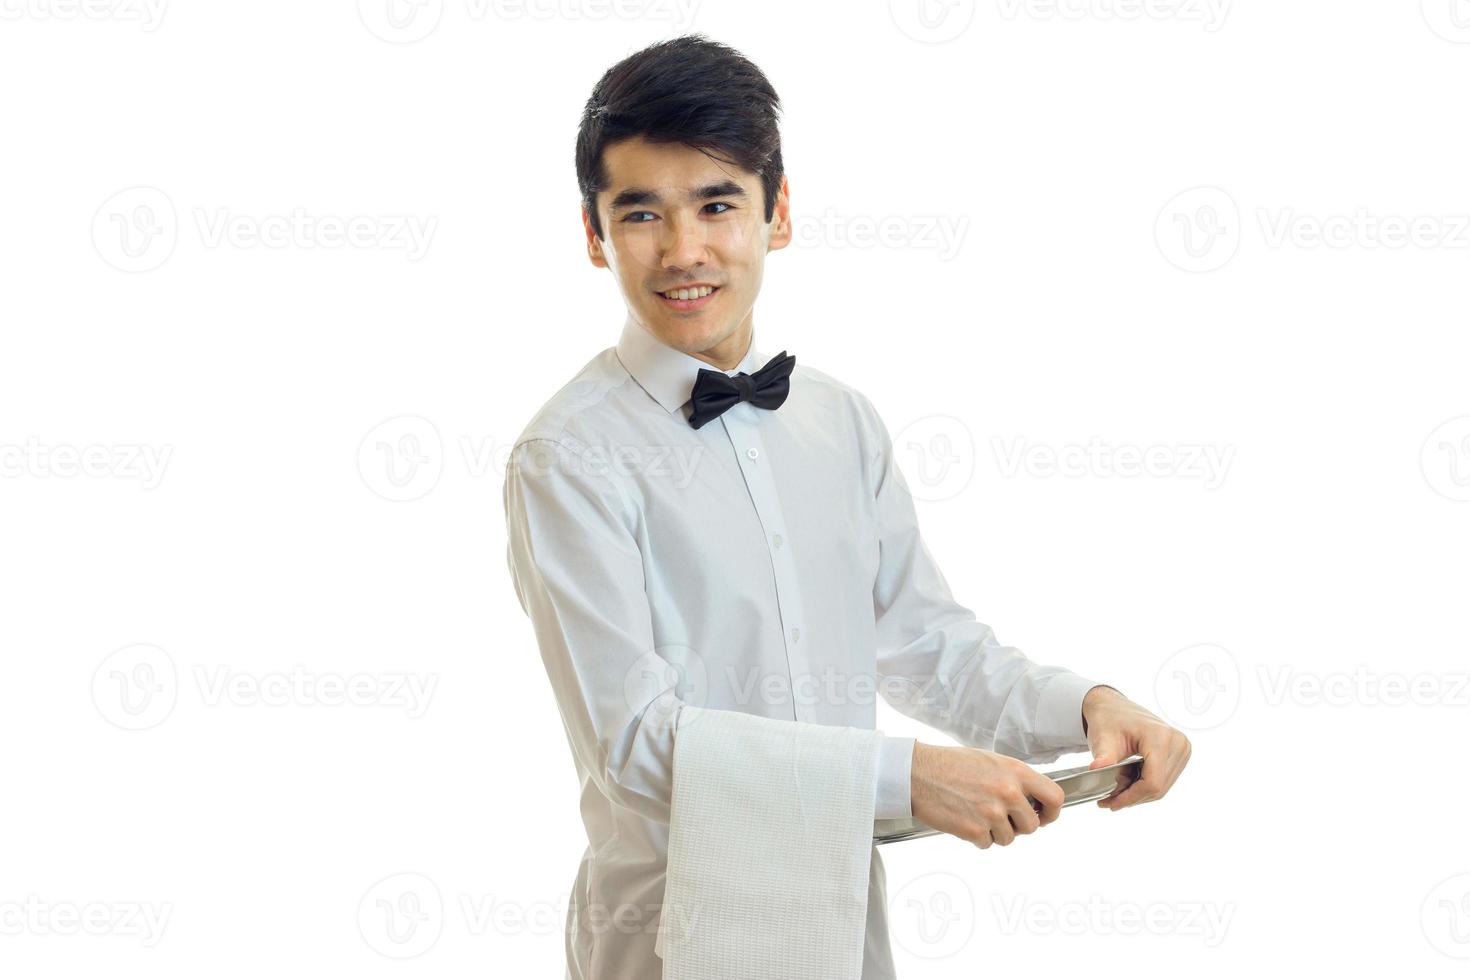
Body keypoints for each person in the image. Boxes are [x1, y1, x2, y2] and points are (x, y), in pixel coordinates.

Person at [502, 33, 1192, 980]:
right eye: (641, 215)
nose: (683, 250)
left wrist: (1089, 709)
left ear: (777, 213)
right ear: (594, 235)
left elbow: (926, 643)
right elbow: (637, 745)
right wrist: (908, 777)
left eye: (717, 204)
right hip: (669, 941)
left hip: (839, 925)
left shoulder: (843, 421)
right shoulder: (565, 457)